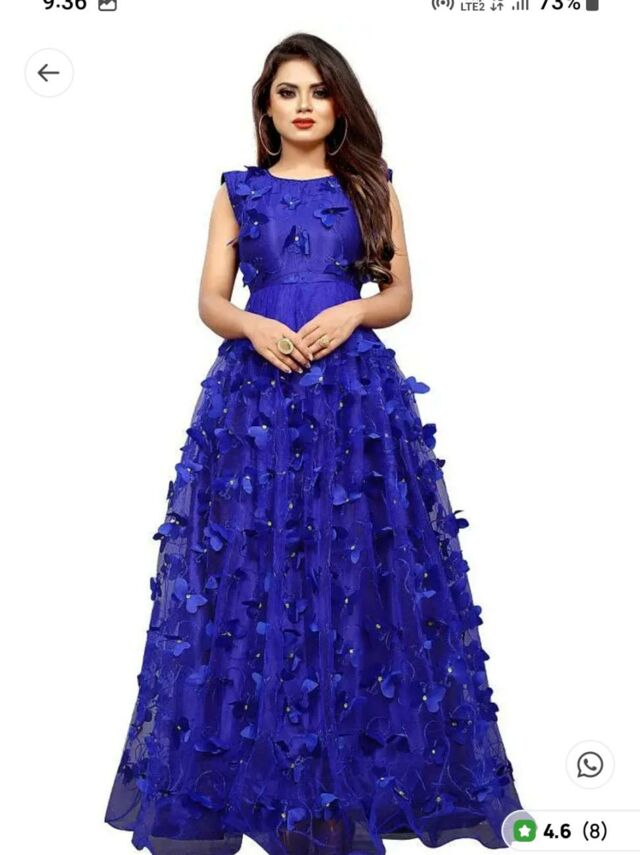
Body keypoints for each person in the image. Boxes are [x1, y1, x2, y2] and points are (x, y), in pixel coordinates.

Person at [104, 31, 524, 855]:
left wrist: (355, 310)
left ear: (339, 104)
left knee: (357, 571)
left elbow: (400, 294)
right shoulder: (238, 192)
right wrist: (252, 325)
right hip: (255, 400)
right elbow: (210, 299)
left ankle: (349, 786)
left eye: (318, 91)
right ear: (266, 109)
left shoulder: (370, 186)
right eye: (288, 92)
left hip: (354, 401)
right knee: (251, 574)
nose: (304, 105)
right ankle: (256, 785)